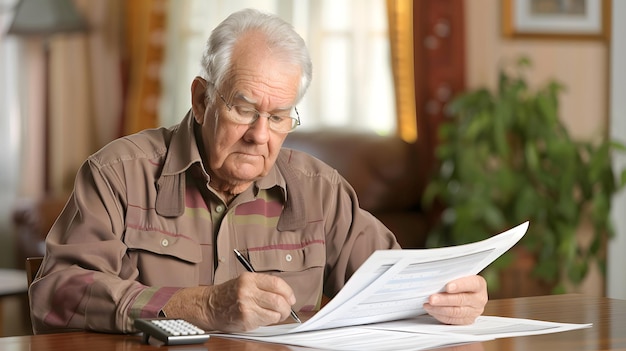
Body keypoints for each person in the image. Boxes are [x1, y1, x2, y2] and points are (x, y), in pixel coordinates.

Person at [29, 8, 487, 334]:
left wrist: (449, 296)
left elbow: (395, 284)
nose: (259, 135)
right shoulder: (118, 175)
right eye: (244, 109)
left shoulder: (320, 192)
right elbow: (57, 293)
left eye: (279, 117)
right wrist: (198, 306)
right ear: (201, 99)